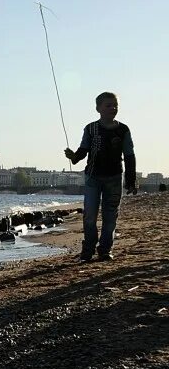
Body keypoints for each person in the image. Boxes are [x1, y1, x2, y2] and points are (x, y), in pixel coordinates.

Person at [64, 91, 138, 262]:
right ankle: (88, 249)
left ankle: (105, 250)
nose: (112, 108)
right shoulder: (91, 128)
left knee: (110, 215)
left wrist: (131, 180)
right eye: (108, 105)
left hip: (114, 177)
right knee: (89, 214)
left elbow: (129, 155)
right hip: (93, 177)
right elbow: (83, 151)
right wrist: (73, 156)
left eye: (115, 106)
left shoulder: (123, 130)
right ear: (98, 108)